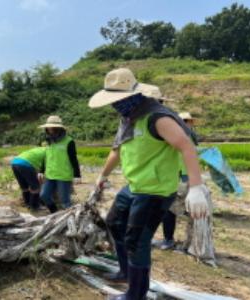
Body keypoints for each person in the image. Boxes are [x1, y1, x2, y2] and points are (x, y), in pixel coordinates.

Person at [89, 68, 209, 300]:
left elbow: (186, 146)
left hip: (155, 190)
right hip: (134, 185)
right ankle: (126, 271)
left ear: (133, 96)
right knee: (114, 222)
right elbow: (117, 150)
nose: (115, 105)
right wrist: (102, 176)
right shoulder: (128, 119)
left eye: (118, 100)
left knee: (137, 241)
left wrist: (196, 186)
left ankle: (136, 294)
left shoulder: (157, 117)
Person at [153, 112, 198, 250]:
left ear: (190, 122)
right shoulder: (191, 136)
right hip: (182, 177)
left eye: (186, 120)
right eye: (181, 120)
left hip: (183, 178)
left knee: (171, 210)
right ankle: (189, 243)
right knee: (186, 211)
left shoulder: (182, 136)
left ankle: (170, 240)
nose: (183, 122)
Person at [39, 116, 81, 213]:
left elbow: (74, 159)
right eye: (48, 128)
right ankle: (55, 213)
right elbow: (46, 157)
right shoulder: (48, 141)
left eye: (52, 127)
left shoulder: (69, 141)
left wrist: (77, 175)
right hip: (50, 175)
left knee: (65, 201)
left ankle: (72, 219)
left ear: (59, 128)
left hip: (63, 176)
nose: (49, 129)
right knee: (44, 196)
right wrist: (41, 171)